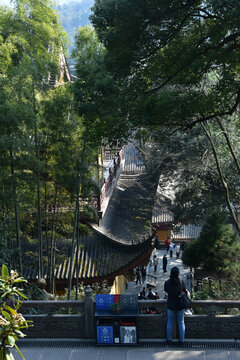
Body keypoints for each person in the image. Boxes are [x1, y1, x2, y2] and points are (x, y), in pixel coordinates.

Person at [164, 266, 186, 346]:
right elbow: (184, 290)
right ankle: (182, 341)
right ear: (178, 274)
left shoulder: (167, 283)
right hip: (180, 305)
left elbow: (166, 290)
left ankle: (168, 340)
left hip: (170, 305)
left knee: (170, 323)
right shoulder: (181, 282)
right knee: (181, 323)